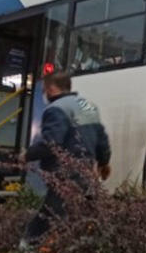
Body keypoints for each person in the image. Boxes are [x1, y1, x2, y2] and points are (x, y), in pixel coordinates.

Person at [21, 71, 111, 244]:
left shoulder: (56, 109)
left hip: (64, 175)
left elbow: (51, 143)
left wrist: (27, 155)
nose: (45, 95)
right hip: (86, 175)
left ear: (51, 88)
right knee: (87, 219)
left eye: (45, 90)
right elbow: (102, 139)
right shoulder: (88, 106)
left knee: (40, 225)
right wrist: (104, 162)